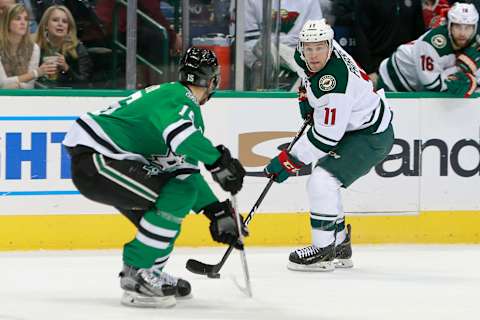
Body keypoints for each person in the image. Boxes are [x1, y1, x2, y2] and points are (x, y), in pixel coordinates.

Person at [62, 47, 247, 308]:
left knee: (177, 196)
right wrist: (217, 161)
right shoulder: (179, 98)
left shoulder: (172, 98)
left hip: (103, 160)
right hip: (99, 159)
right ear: (213, 81)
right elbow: (181, 136)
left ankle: (151, 273)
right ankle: (137, 272)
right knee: (177, 196)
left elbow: (184, 174)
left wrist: (216, 211)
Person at [264, 20, 394, 272]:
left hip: (370, 135)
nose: (313, 55)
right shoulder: (314, 56)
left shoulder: (335, 83)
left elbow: (325, 139)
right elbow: (306, 73)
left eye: (319, 48)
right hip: (356, 126)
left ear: (330, 46)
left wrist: (288, 161)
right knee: (326, 181)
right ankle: (340, 244)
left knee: (322, 180)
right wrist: (305, 95)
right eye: (308, 48)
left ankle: (323, 251)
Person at [377, 2, 480, 97]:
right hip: (393, 79)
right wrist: (461, 68)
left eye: (468, 27)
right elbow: (433, 85)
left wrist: (473, 80)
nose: (462, 33)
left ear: (475, 28)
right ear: (449, 25)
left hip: (419, 85)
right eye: (457, 26)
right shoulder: (431, 44)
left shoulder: (476, 43)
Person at [230, 0, 323, 90]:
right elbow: (248, 39)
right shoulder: (247, 1)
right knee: (256, 56)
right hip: (259, 52)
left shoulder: (311, 1)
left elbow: (313, 37)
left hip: (296, 51)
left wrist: (278, 47)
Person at [35, 5, 92, 88]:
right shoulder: (35, 47)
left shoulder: (78, 49)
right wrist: (39, 72)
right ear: (46, 25)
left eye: (65, 21)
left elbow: (85, 84)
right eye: (55, 20)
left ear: (68, 28)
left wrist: (67, 68)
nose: (60, 24)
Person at [0, 3, 55, 89]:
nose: (23, 23)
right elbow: (2, 83)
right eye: (18, 19)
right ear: (7, 22)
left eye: (26, 19)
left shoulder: (34, 48)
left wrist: (15, 85)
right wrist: (36, 73)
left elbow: (29, 86)